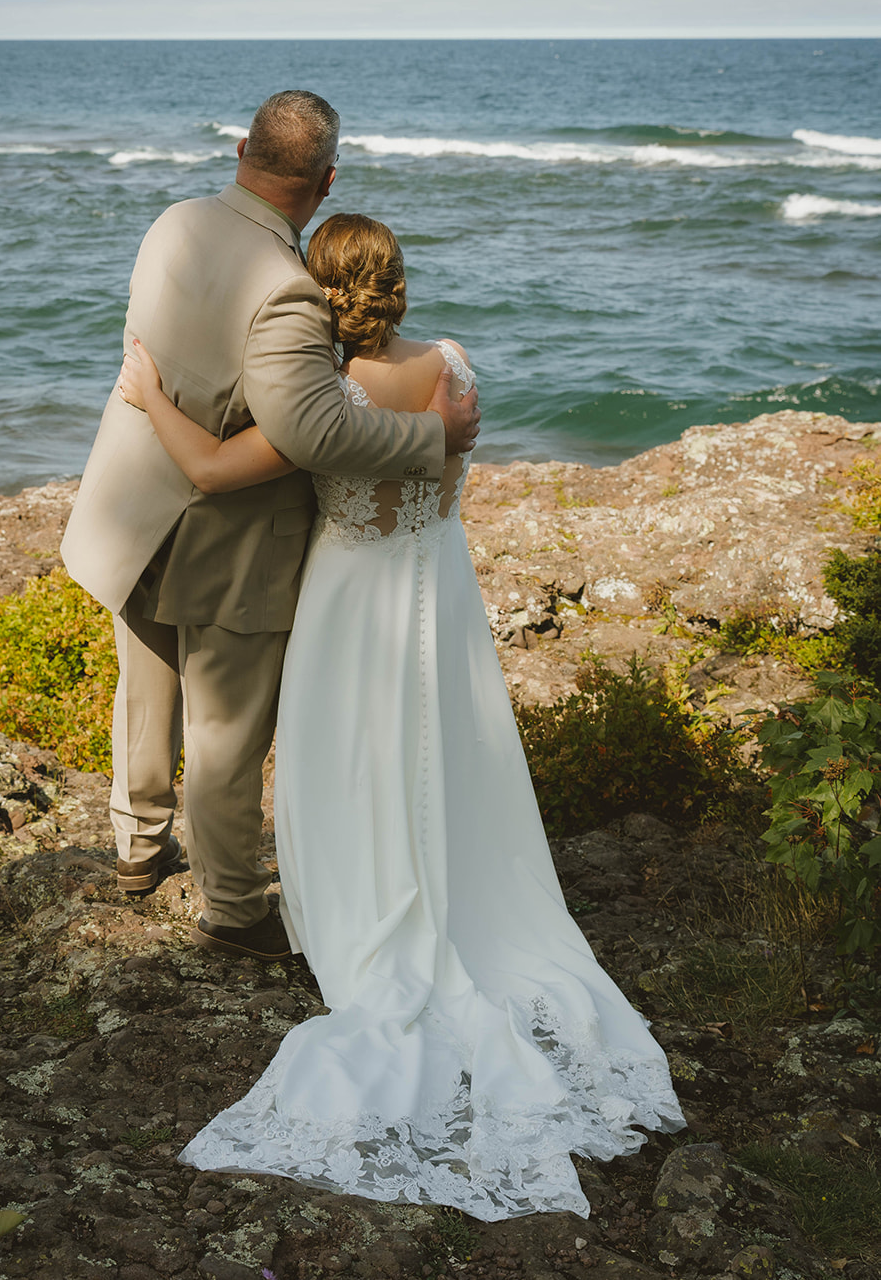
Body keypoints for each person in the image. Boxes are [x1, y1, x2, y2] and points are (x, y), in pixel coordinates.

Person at [117, 212, 685, 1221]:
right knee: (444, 756)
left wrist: (149, 394)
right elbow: (445, 471)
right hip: (440, 592)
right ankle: (449, 887)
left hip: (349, 601)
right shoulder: (452, 370)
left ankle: (358, 899)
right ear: (399, 283)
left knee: (352, 763)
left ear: (318, 297)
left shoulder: (320, 400)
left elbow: (208, 469)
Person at [61, 92, 479, 963]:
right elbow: (312, 431)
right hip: (228, 536)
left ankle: (139, 847)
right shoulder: (287, 287)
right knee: (224, 731)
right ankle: (234, 909)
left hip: (134, 501)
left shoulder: (173, 223)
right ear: (326, 181)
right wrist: (427, 435)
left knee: (145, 685)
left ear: (242, 148)